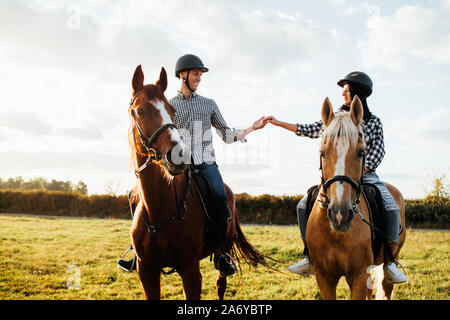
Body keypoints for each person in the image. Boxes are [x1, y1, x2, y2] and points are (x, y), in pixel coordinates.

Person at [118, 54, 267, 276]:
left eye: (200, 74)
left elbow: (226, 134)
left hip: (206, 163)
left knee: (220, 196)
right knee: (135, 195)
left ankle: (221, 252)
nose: (199, 78)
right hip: (178, 163)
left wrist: (251, 128)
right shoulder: (168, 105)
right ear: (182, 75)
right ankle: (137, 249)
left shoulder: (209, 104)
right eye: (195, 74)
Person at [265, 71, 407, 284]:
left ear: (357, 93)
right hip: (335, 176)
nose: (343, 93)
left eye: (347, 89)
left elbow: (379, 150)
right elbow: (309, 129)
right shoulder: (334, 119)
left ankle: (389, 261)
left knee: (390, 206)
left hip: (364, 175)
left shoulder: (373, 122)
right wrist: (278, 123)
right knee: (303, 206)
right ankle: (309, 256)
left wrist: (362, 169)